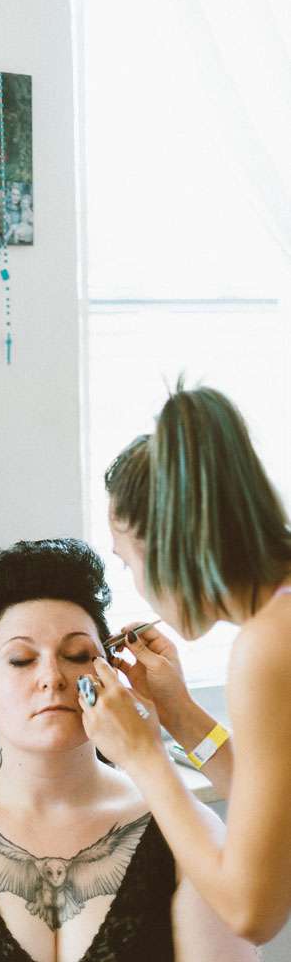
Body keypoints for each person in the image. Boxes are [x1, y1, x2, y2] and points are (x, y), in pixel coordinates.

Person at [0, 538, 256, 961]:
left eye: (77, 655)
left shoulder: (186, 831)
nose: (52, 677)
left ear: (111, 671)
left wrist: (174, 719)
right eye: (21, 659)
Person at [77, 381, 291, 945]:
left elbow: (254, 912)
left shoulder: (268, 645)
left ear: (169, 543)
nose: (135, 585)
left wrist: (142, 755)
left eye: (128, 563)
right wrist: (179, 715)